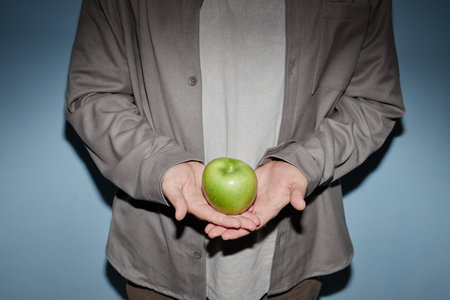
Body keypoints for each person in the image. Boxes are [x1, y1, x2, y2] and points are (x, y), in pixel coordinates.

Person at [65, 0, 404, 299]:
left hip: (298, 261)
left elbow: (372, 100)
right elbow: (94, 95)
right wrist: (160, 165)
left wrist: (303, 163)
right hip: (158, 255)